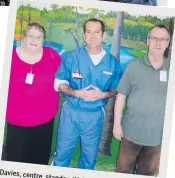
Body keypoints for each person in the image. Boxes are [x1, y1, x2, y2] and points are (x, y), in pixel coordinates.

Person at [53, 18, 122, 170]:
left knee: (89, 159)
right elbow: (59, 83)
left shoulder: (112, 62)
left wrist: (103, 95)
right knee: (62, 156)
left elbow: (115, 88)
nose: (93, 36)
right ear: (84, 35)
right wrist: (76, 92)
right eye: (88, 32)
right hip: (71, 113)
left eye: (97, 32)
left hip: (95, 115)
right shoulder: (72, 57)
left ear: (104, 35)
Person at [113, 24, 170, 175]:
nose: (158, 42)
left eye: (163, 39)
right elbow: (121, 97)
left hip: (157, 137)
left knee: (148, 173)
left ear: (168, 43)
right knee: (122, 171)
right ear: (148, 41)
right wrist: (117, 125)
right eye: (154, 38)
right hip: (129, 134)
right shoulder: (133, 66)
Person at [3, 23, 62, 165]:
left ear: (43, 40)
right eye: (30, 36)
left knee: (39, 158)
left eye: (38, 37)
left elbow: (64, 76)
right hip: (16, 120)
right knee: (14, 158)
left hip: (44, 120)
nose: (34, 40)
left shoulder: (52, 55)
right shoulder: (8, 56)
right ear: (24, 38)